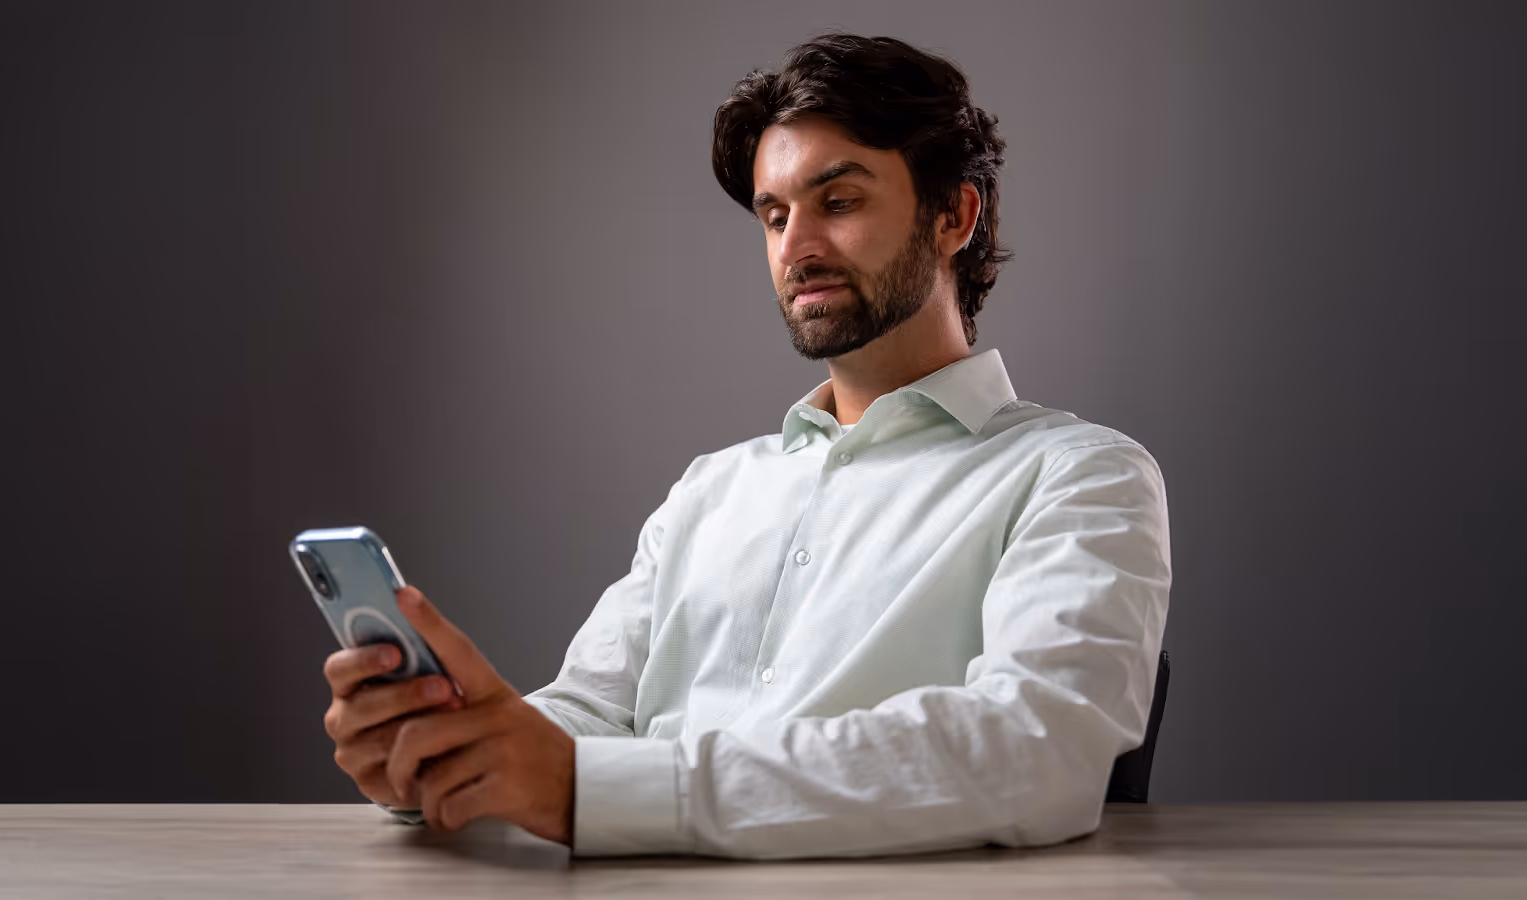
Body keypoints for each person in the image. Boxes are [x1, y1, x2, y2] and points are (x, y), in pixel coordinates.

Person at [320, 31, 1171, 860]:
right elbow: (590, 717)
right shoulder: (711, 490)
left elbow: (1036, 748)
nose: (795, 248)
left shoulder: (1080, 477)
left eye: (839, 202)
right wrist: (451, 752)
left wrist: (587, 791)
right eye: (774, 215)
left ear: (954, 215)